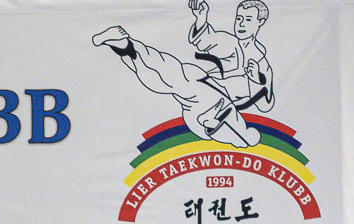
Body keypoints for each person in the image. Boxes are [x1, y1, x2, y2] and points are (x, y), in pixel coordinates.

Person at [93, 0, 272, 149]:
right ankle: (124, 45)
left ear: (260, 22)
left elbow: (266, 105)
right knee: (171, 72)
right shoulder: (229, 42)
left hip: (220, 107)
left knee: (244, 137)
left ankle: (125, 46)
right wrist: (201, 18)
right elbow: (205, 40)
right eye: (239, 18)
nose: (241, 24)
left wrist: (256, 80)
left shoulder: (261, 63)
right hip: (204, 86)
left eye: (248, 19)